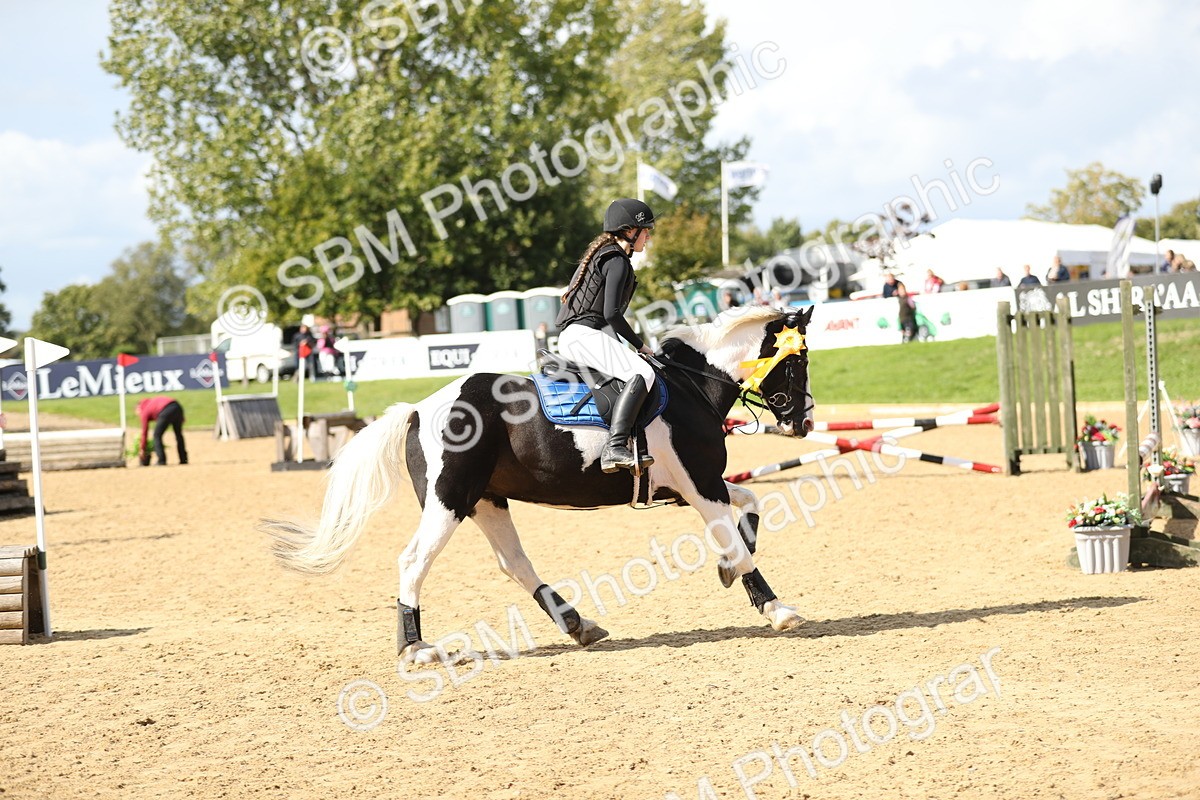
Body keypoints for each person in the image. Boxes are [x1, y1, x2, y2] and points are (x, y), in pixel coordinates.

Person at [555, 198, 657, 473]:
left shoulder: (604, 254)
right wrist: (641, 345)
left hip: (580, 335)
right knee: (644, 374)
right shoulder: (617, 260)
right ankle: (615, 447)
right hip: (583, 336)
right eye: (645, 230)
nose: (647, 237)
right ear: (629, 230)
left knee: (633, 369)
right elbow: (612, 314)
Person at [137, 396, 187, 466]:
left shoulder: (144, 410)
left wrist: (142, 449)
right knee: (178, 435)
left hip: (166, 410)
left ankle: (161, 460)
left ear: (139, 407)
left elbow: (144, 432)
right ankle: (183, 459)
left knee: (156, 435)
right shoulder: (152, 403)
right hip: (177, 407)